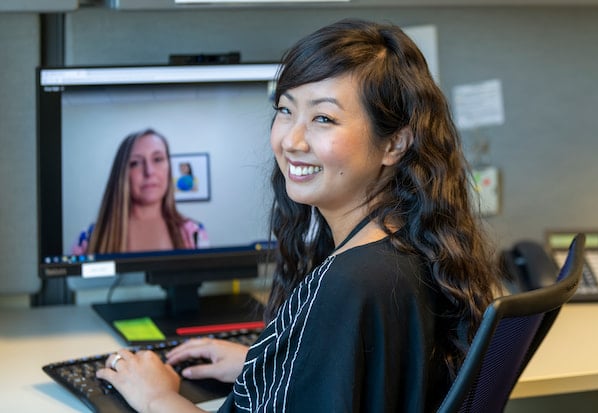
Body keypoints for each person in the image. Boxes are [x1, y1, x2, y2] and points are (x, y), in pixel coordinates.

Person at [96, 19, 502, 412]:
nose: (290, 140)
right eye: (286, 110)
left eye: (323, 118)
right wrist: (267, 365)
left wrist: (157, 398)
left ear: (393, 144)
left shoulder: (349, 284)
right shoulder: (411, 250)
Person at [71, 128, 209, 255]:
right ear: (122, 174)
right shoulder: (90, 239)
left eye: (158, 159)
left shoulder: (194, 234)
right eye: (135, 163)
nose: (149, 171)